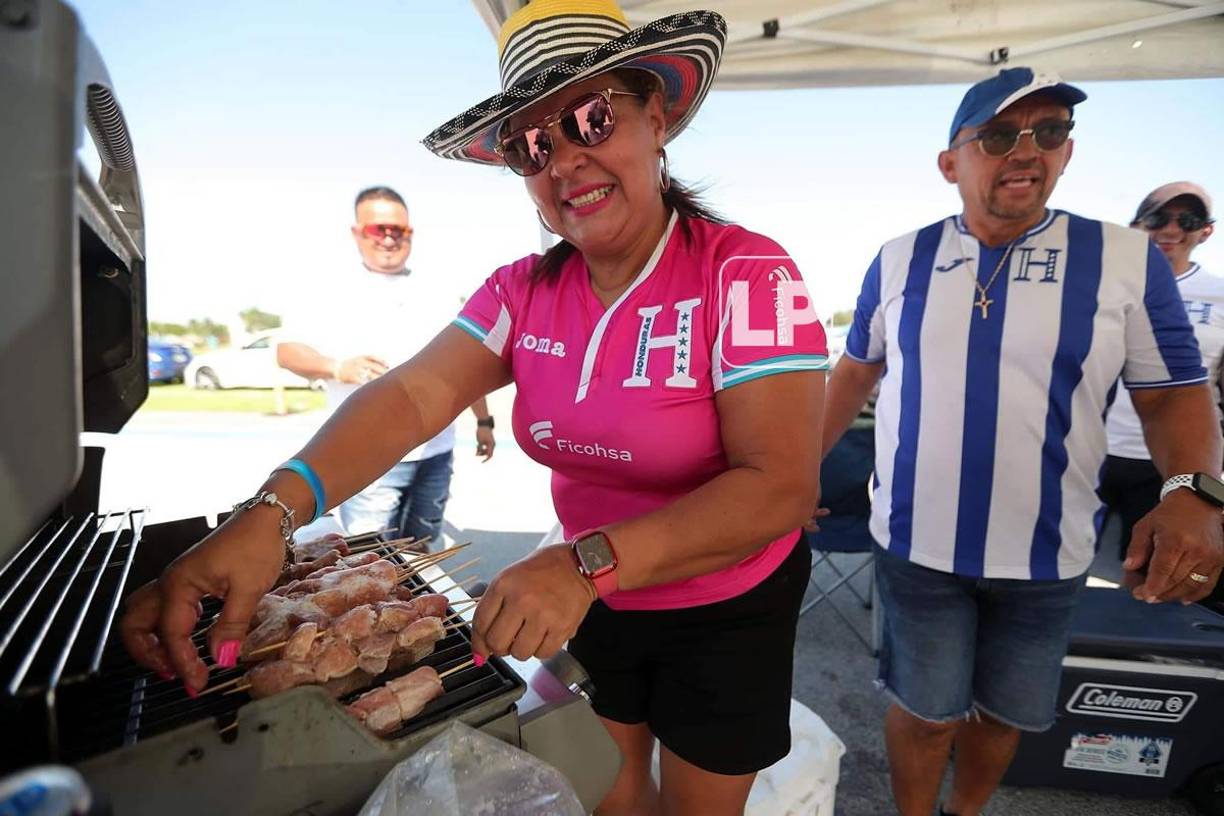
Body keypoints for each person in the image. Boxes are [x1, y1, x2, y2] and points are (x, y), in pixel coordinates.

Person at [120, 4, 829, 814]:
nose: (564, 159)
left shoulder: (744, 274)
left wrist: (584, 562)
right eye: (534, 143)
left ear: (657, 118)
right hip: (599, 592)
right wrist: (272, 510)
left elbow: (778, 487)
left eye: (592, 117)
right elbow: (413, 394)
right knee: (609, 784)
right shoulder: (521, 292)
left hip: (722, 601)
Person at [820, 68, 1224, 816]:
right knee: (924, 709)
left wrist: (1194, 494)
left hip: (1049, 552)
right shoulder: (899, 258)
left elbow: (1171, 394)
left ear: (1067, 152)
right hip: (916, 548)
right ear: (952, 163)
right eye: (1000, 135)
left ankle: (963, 813)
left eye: (1051, 132)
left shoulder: (1124, 261)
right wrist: (794, 473)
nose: (1027, 150)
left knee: (1007, 714)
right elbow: (852, 374)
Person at [275, 186, 496, 549]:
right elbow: (286, 352)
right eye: (379, 229)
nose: (390, 238)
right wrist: (336, 367)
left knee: (423, 547)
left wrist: (484, 422)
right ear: (357, 232)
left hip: (435, 452)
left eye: (399, 230)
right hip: (369, 453)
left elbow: (469, 361)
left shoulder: (437, 289)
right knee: (370, 555)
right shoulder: (327, 288)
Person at [1100, 183, 1222, 555]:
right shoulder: (1100, 288)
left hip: (1171, 464)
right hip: (1088, 454)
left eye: (1187, 220)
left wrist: (1208, 485)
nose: (1170, 230)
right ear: (1135, 227)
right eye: (1157, 219)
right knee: (1054, 576)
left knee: (1149, 581)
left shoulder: (1218, 295)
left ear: (1206, 230)